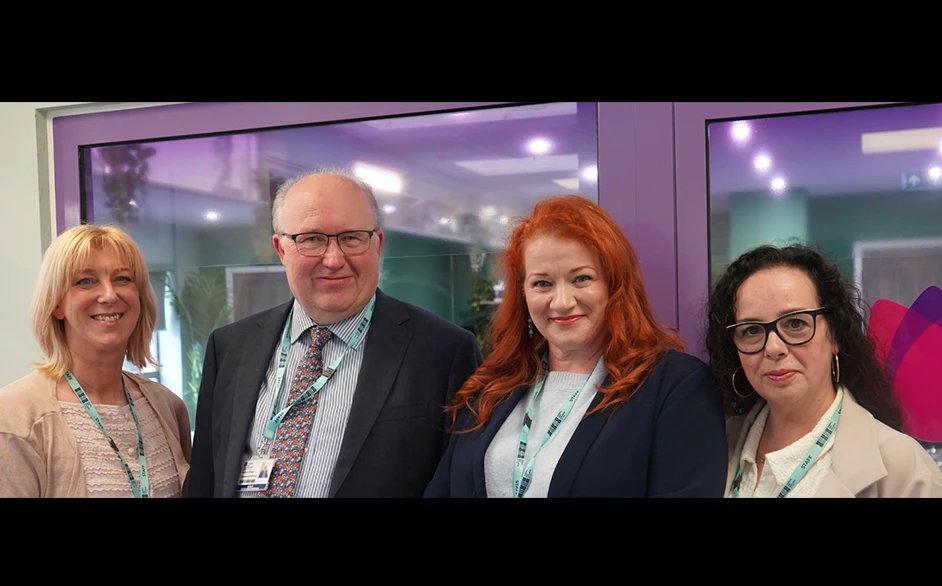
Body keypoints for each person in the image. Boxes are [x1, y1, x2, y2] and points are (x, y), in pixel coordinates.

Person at [188, 166, 483, 498]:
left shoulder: (444, 351)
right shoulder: (230, 347)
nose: (333, 259)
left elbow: (459, 485)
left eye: (351, 238)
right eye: (312, 239)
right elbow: (206, 479)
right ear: (281, 250)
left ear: (377, 244)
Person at [424, 195, 729, 498]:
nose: (562, 302)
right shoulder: (493, 386)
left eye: (581, 279)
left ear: (614, 285)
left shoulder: (677, 388)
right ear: (523, 295)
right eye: (542, 283)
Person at [705, 243, 942, 498]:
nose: (773, 348)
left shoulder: (903, 465)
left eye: (795, 323)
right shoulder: (717, 445)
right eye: (752, 330)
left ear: (834, 335)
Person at [0, 224, 191, 498]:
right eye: (85, 281)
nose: (110, 295)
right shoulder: (14, 418)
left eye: (123, 279)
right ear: (56, 304)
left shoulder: (167, 407)